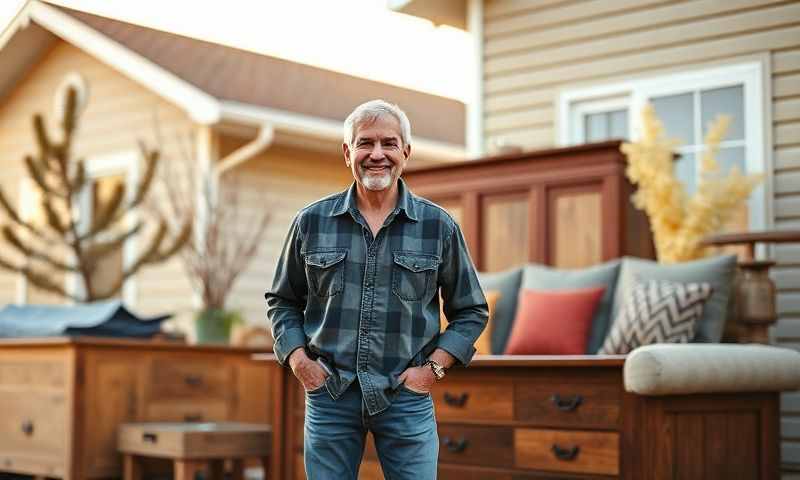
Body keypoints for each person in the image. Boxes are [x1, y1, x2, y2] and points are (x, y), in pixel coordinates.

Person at [266, 99, 488, 479]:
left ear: (406, 151)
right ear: (347, 152)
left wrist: (432, 370)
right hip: (330, 395)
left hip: (406, 397)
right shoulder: (311, 222)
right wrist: (300, 362)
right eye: (365, 143)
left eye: (388, 143)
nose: (377, 154)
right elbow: (282, 301)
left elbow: (471, 311)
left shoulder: (438, 227)